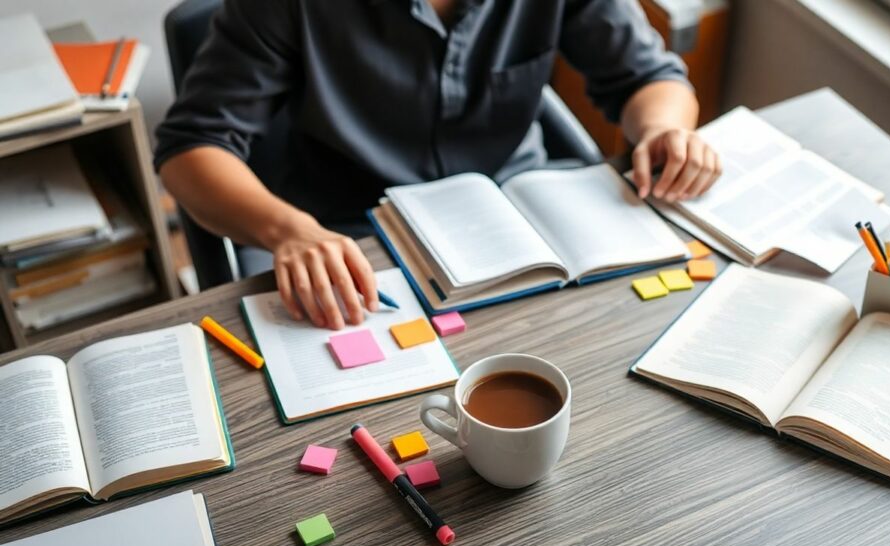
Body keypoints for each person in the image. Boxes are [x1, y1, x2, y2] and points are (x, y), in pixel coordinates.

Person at [155, 0, 721, 331]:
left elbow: (650, 78)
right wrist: (289, 231)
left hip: (522, 219)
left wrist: (664, 129)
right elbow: (189, 148)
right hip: (355, 234)